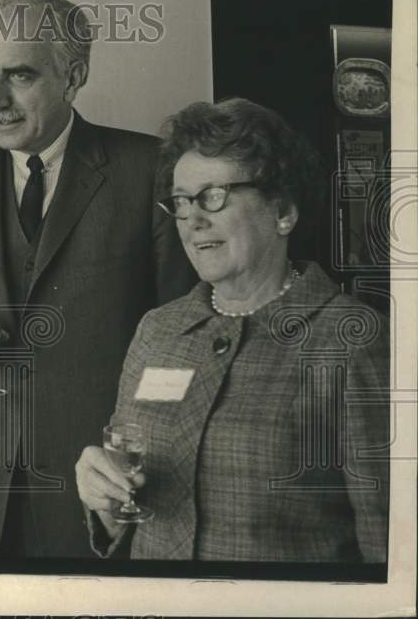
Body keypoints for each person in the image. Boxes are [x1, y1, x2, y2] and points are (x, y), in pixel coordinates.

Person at [0, 0, 195, 557]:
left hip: (101, 501)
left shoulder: (150, 170)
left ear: (73, 77)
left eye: (20, 75)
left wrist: (133, 456)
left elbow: (186, 337)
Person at [75, 98, 390, 561]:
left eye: (213, 196)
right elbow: (131, 506)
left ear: (282, 211)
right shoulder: (158, 331)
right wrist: (104, 501)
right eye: (182, 201)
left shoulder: (351, 338)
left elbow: (389, 552)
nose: (193, 219)